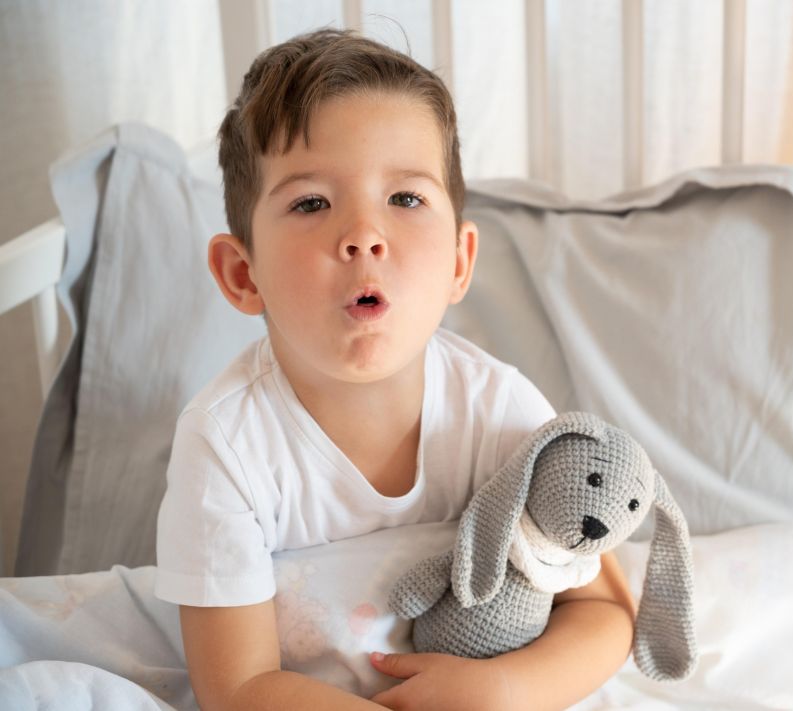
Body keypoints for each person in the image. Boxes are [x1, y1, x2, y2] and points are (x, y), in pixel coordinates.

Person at [154, 28, 636, 711]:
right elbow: (239, 685)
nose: (363, 236)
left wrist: (502, 689)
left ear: (460, 263)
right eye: (312, 202)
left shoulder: (497, 410)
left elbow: (605, 611)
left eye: (405, 199)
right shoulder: (226, 442)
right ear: (242, 273)